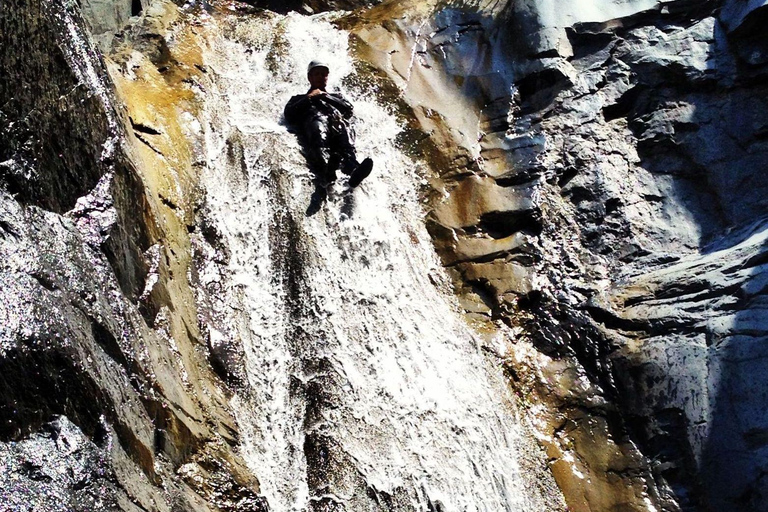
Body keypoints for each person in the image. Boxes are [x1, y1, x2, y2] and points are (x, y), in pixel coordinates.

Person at [284, 60, 373, 189]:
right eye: (317, 74)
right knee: (318, 131)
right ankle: (326, 170)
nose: (321, 76)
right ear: (310, 77)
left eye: (323, 74)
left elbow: (349, 110)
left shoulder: (336, 97)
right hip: (316, 123)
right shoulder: (299, 98)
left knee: (345, 134)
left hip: (337, 124)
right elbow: (289, 114)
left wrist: (325, 97)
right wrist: (309, 98)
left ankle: (353, 170)